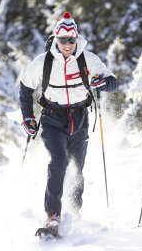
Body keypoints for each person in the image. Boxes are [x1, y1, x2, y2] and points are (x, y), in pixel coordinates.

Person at [19, 12, 117, 232]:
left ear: (76, 38)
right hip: (53, 118)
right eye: (62, 40)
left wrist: (103, 83)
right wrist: (28, 117)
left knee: (77, 168)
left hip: (80, 118)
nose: (67, 44)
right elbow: (25, 89)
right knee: (59, 161)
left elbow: (113, 82)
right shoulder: (43, 62)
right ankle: (53, 214)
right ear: (56, 38)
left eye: (71, 40)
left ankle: (74, 210)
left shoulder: (87, 58)